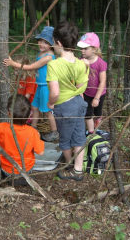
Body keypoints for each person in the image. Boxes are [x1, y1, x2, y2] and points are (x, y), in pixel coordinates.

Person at [46, 21, 89, 181]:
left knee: (64, 138)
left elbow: (55, 92)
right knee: (79, 137)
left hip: (64, 107)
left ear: (58, 43)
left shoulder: (54, 65)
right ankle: (78, 170)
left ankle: (68, 164)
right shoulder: (80, 64)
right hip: (79, 103)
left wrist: (50, 103)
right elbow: (81, 86)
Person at [3, 26, 58, 142]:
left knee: (48, 111)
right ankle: (32, 128)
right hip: (39, 85)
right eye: (40, 41)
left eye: (45, 42)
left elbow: (32, 66)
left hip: (45, 87)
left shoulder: (48, 57)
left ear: (51, 44)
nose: (41, 44)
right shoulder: (40, 54)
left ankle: (54, 132)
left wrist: (13, 64)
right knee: (34, 107)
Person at [0, 94, 44, 180]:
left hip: (7, 170)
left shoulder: (2, 128)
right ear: (28, 116)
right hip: (27, 170)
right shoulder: (33, 132)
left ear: (9, 113)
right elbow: (41, 152)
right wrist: (38, 137)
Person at [77, 32, 107, 134]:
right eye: (81, 48)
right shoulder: (80, 61)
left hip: (99, 94)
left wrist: (97, 98)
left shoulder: (101, 63)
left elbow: (102, 82)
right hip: (85, 93)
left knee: (97, 113)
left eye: (85, 48)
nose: (82, 51)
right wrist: (80, 92)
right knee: (87, 113)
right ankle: (91, 133)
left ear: (94, 49)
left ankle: (97, 126)